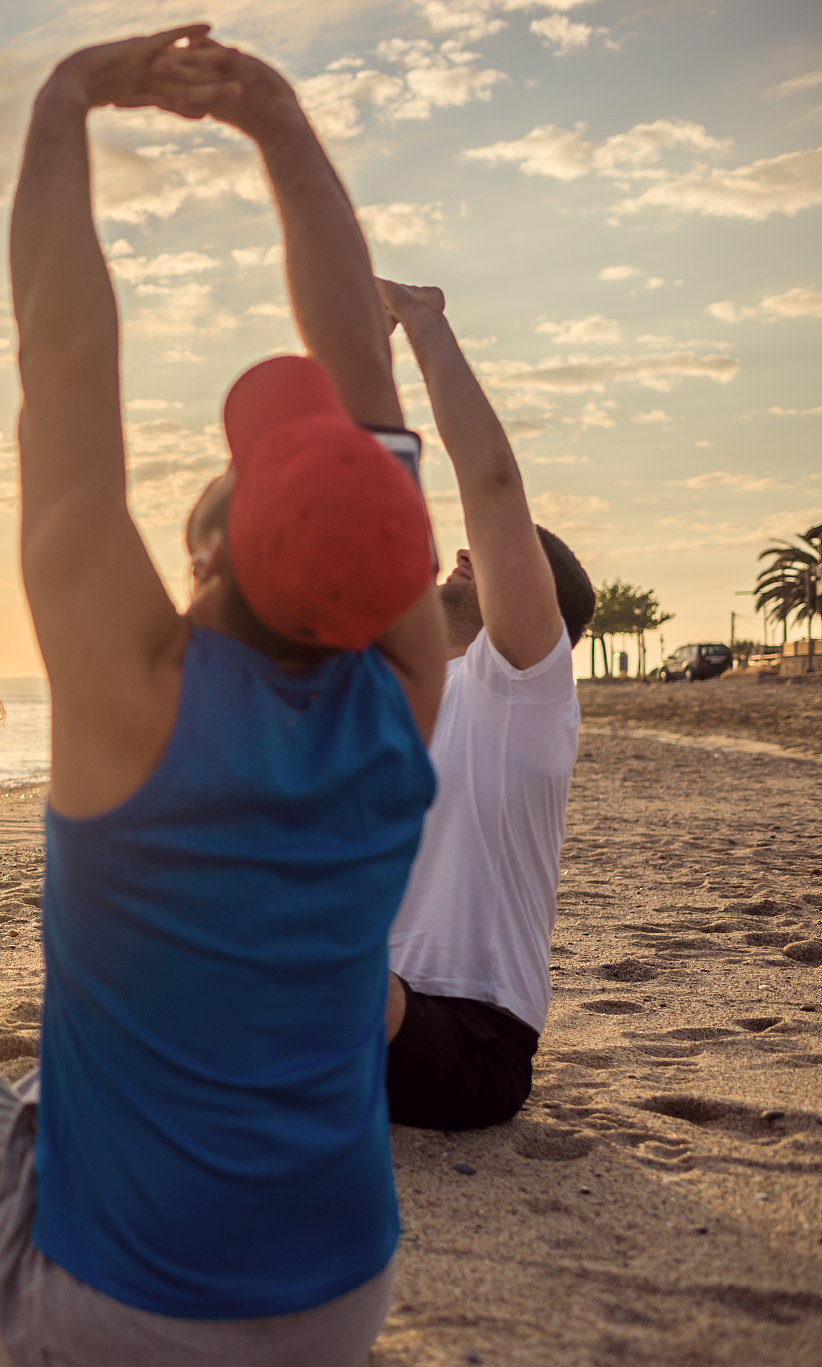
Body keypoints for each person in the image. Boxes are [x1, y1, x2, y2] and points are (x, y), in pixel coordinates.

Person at [0, 26, 446, 1366]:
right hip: (343, 1295)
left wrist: (66, 97)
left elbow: (63, 354)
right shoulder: (409, 689)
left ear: (201, 560)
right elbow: (364, 375)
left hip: (112, 1316)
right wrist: (284, 133)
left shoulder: (134, 698)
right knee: (187, 1031)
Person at [379, 278, 596, 1132]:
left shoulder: (519, 691)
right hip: (363, 1011)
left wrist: (420, 326)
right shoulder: (387, 698)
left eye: (495, 556)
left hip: (473, 1043)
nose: (466, 546)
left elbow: (495, 486)